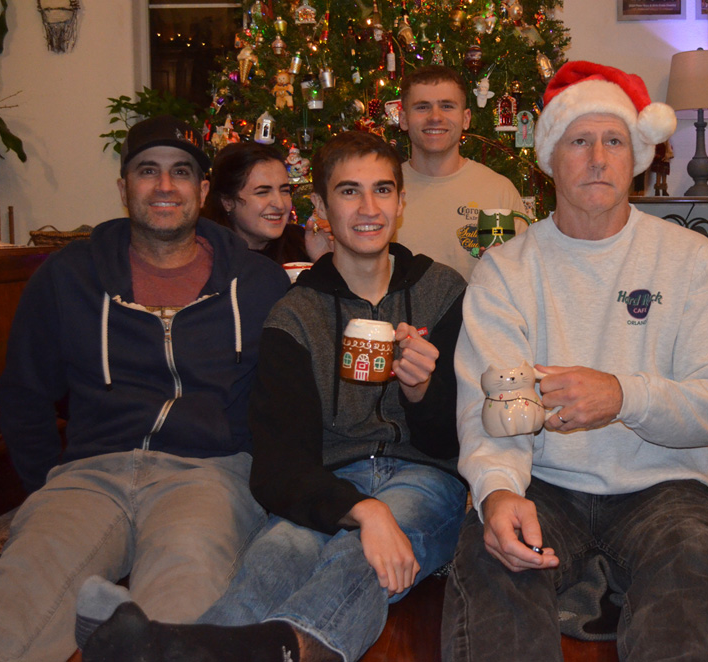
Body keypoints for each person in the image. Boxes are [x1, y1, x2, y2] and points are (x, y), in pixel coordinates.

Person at [79, 131, 468, 662]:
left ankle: (257, 648)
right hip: (328, 481)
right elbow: (279, 464)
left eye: (382, 190)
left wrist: (422, 391)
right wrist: (364, 509)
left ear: (401, 203)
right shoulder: (295, 314)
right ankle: (183, 649)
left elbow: (454, 441)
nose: (368, 208)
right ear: (321, 209)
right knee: (272, 558)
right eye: (349, 191)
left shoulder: (442, 291)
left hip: (425, 479)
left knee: (363, 557)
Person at [443, 61, 708, 661]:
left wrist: (623, 396)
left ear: (637, 157)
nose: (599, 159)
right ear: (550, 158)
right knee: (490, 556)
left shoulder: (691, 260)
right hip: (543, 482)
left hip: (664, 488)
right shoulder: (506, 271)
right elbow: (489, 408)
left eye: (615, 141)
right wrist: (497, 491)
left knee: (693, 565)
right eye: (579, 141)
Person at [0, 115, 290, 662]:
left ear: (203, 189)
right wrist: (44, 483)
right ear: (124, 185)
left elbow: (284, 399)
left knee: (180, 612)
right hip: (90, 474)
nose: (164, 185)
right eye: (148, 170)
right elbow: (24, 392)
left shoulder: (257, 283)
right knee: (18, 600)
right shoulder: (68, 275)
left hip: (209, 475)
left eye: (181, 172)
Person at [396, 65, 526, 280]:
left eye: (447, 106)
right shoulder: (383, 191)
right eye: (422, 107)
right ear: (403, 119)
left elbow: (525, 277)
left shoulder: (499, 191)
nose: (435, 117)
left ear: (466, 119)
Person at [202, 141, 332, 265]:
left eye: (284, 191)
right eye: (262, 192)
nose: (280, 204)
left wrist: (323, 262)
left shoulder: (302, 243)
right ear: (227, 202)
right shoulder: (207, 257)